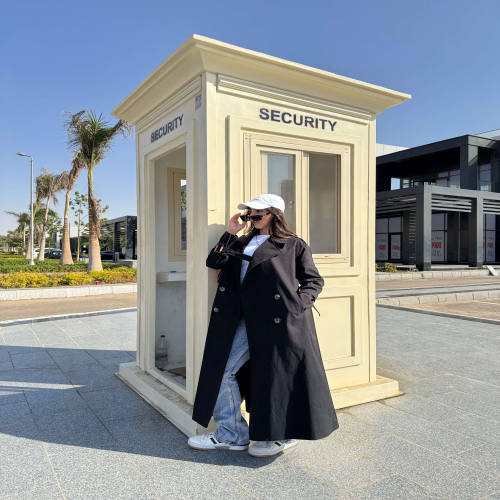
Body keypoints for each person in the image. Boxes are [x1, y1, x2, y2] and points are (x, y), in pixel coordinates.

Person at [188, 194, 339, 457]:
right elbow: (214, 262)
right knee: (222, 369)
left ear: (274, 215)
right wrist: (230, 232)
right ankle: (233, 433)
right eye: (249, 215)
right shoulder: (241, 241)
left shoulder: (292, 244)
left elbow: (314, 280)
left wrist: (297, 305)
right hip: (241, 318)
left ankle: (281, 434)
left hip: (278, 321)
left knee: (277, 377)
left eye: (258, 214)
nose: (252, 219)